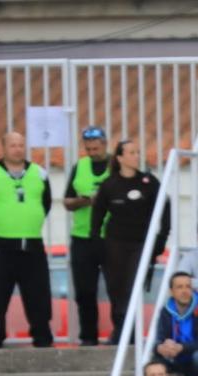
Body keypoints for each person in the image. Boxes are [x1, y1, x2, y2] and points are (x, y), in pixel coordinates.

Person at [0, 131, 54, 349]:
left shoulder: (40, 174)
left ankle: (43, 340)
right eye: (13, 145)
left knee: (38, 297)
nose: (17, 149)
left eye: (21, 145)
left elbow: (46, 204)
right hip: (0, 246)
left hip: (32, 245)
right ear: (3, 148)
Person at [91, 139, 170, 339]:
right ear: (120, 158)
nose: (136, 156)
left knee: (132, 286)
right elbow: (97, 214)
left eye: (137, 152)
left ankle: (130, 331)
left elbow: (165, 208)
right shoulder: (110, 184)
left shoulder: (149, 182)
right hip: (114, 244)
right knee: (115, 288)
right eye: (131, 153)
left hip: (140, 243)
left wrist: (161, 238)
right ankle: (121, 330)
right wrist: (96, 241)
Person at [65, 127, 111, 345]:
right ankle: (89, 336)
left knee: (117, 289)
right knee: (84, 291)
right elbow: (67, 201)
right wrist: (83, 201)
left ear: (105, 144)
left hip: (110, 236)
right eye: (88, 149)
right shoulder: (80, 167)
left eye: (96, 148)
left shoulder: (116, 165)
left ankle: (122, 334)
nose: (92, 153)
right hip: (82, 236)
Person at [151, 272, 198, 376]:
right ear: (171, 291)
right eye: (179, 287)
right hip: (175, 357)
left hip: (196, 357)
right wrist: (160, 348)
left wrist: (182, 347)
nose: (185, 291)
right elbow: (159, 338)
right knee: (156, 362)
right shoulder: (166, 311)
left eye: (188, 287)